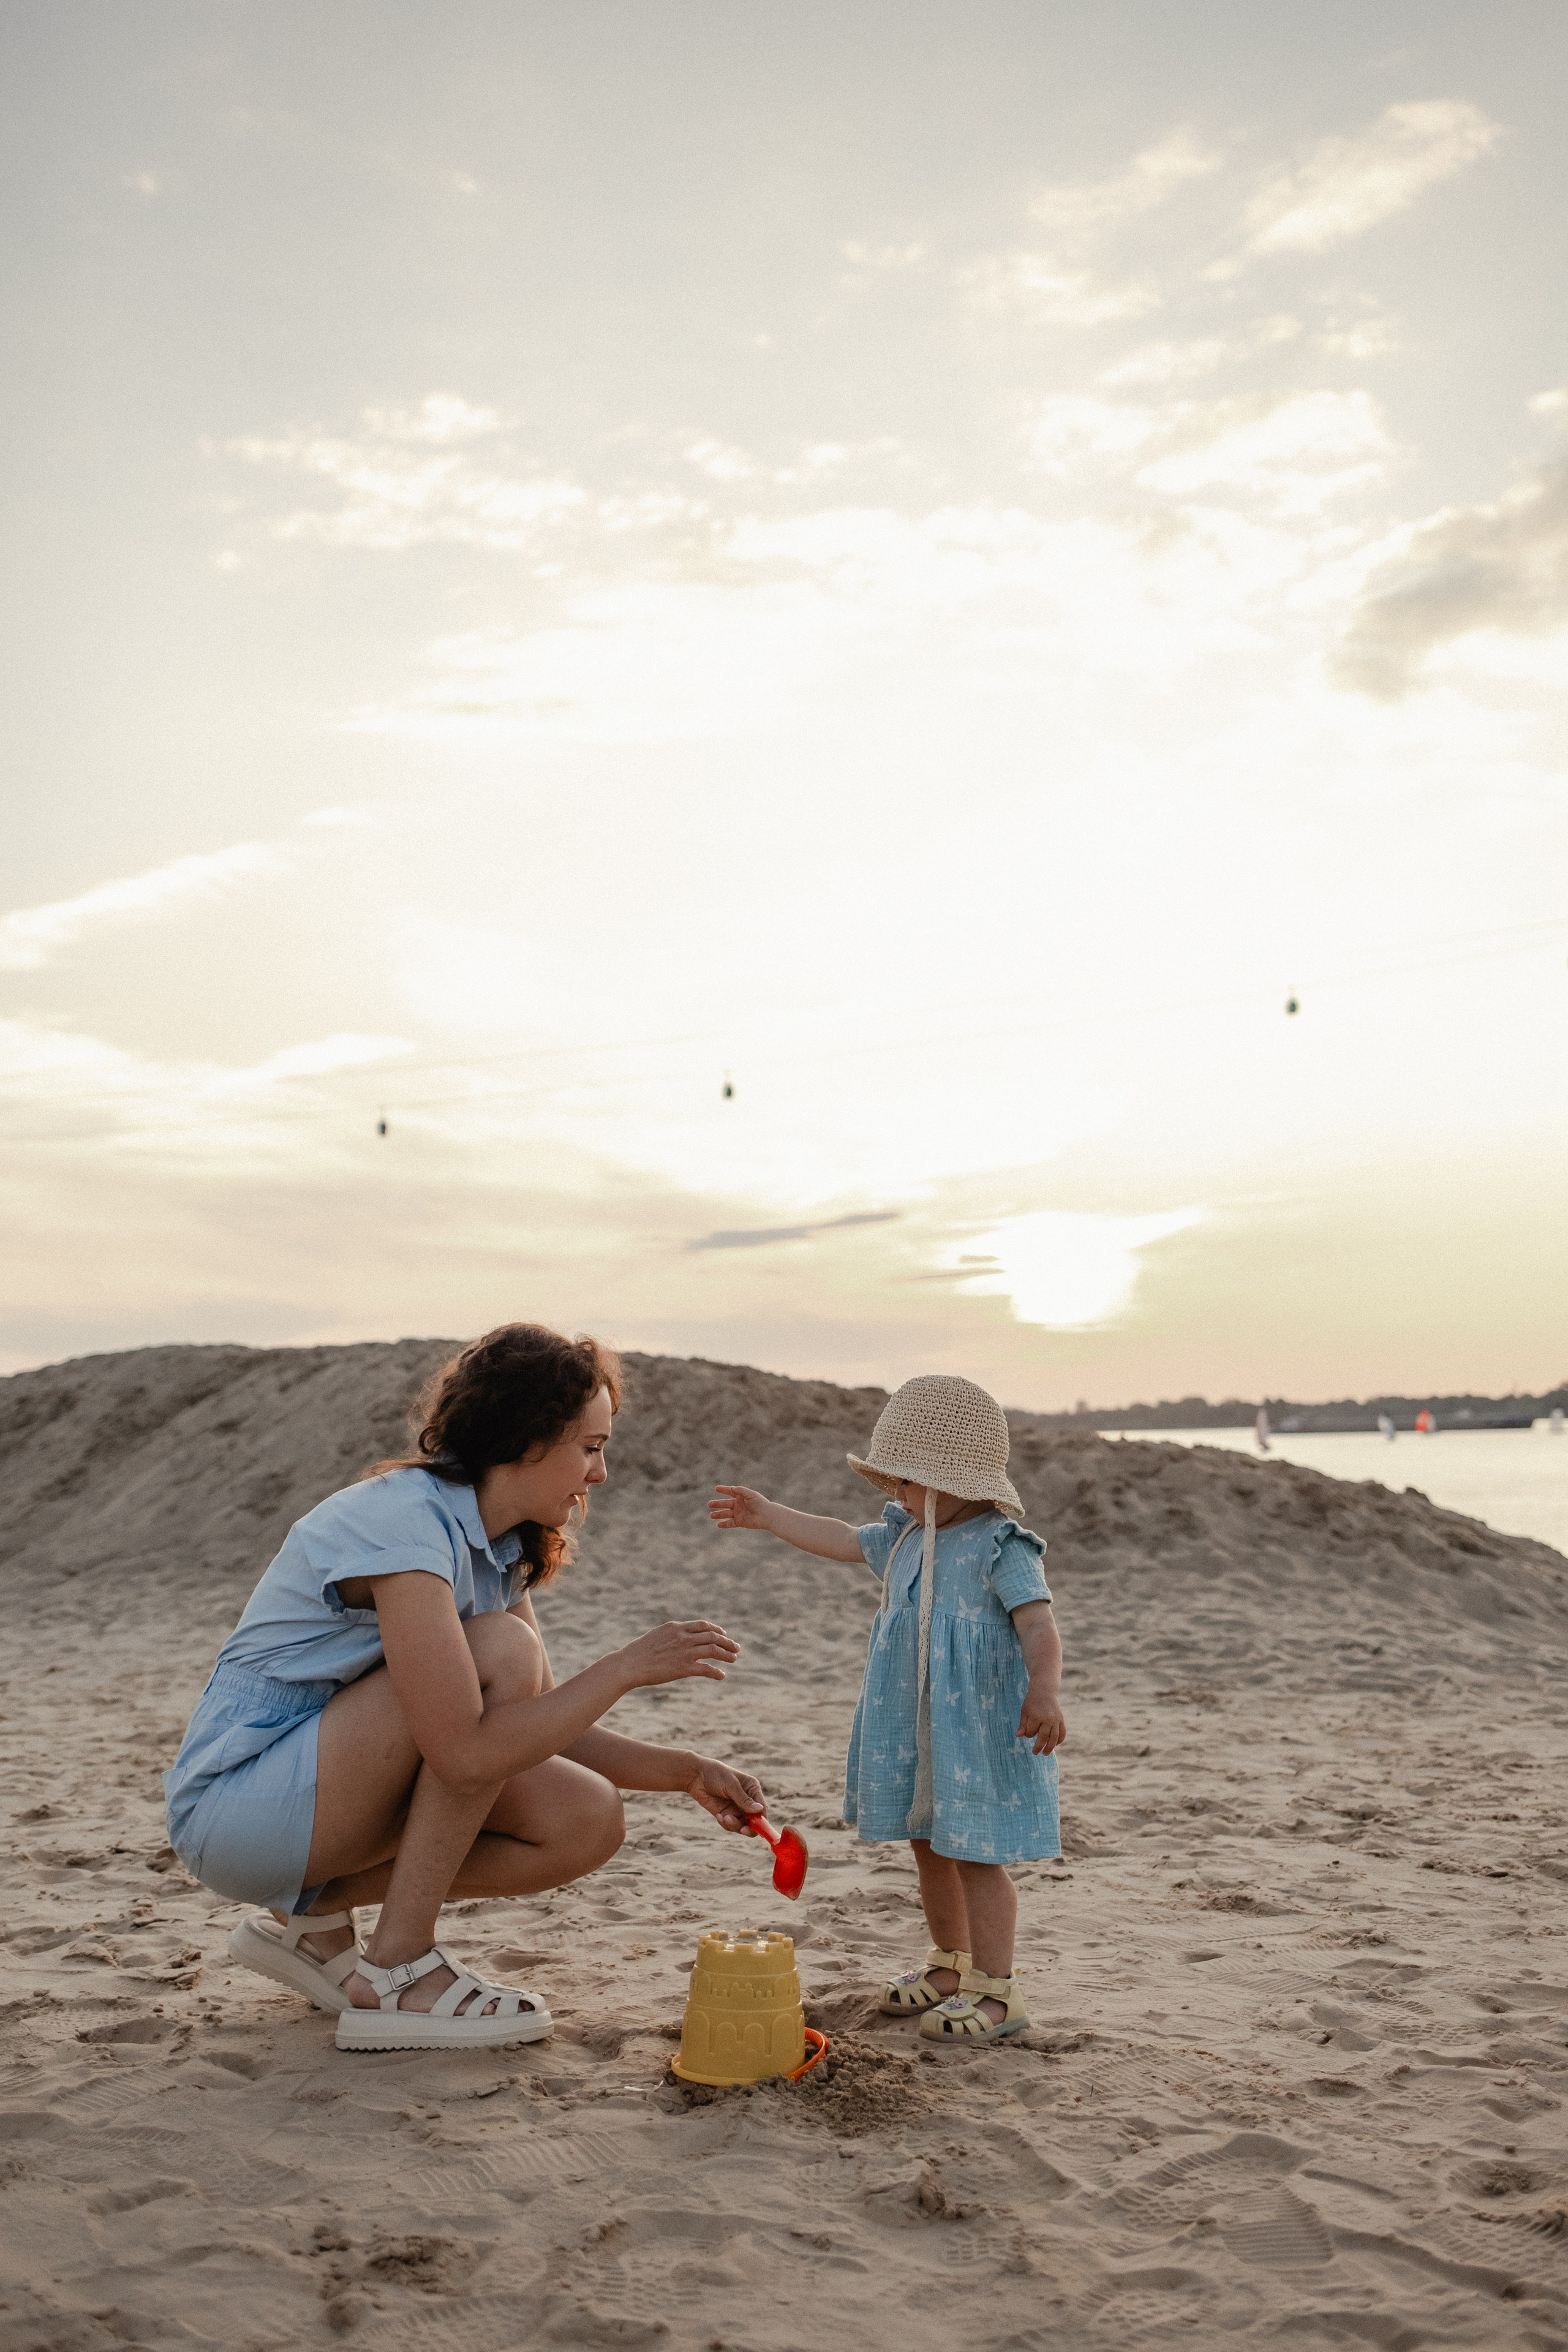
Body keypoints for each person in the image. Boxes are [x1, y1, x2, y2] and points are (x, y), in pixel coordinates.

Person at [164, 1323, 763, 2052]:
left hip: (316, 1797)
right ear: (527, 1438)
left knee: (586, 1816)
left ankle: (315, 1925)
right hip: (237, 1810)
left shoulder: (496, 1546)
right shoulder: (404, 1524)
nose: (599, 1475)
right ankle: (398, 1969)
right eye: (591, 1447)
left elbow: (535, 1727)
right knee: (506, 1651)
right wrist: (624, 1667)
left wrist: (686, 1772)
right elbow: (467, 1753)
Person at [710, 1373, 1065, 2045]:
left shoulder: (1001, 1545)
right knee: (927, 1843)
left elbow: (1039, 1626)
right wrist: (769, 1515)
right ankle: (951, 1965)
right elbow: (842, 1536)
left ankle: (998, 1991)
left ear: (953, 1478)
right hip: (917, 1724)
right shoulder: (905, 1536)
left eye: (904, 1479)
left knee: (975, 1855)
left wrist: (1043, 1690)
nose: (893, 1493)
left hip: (976, 1728)